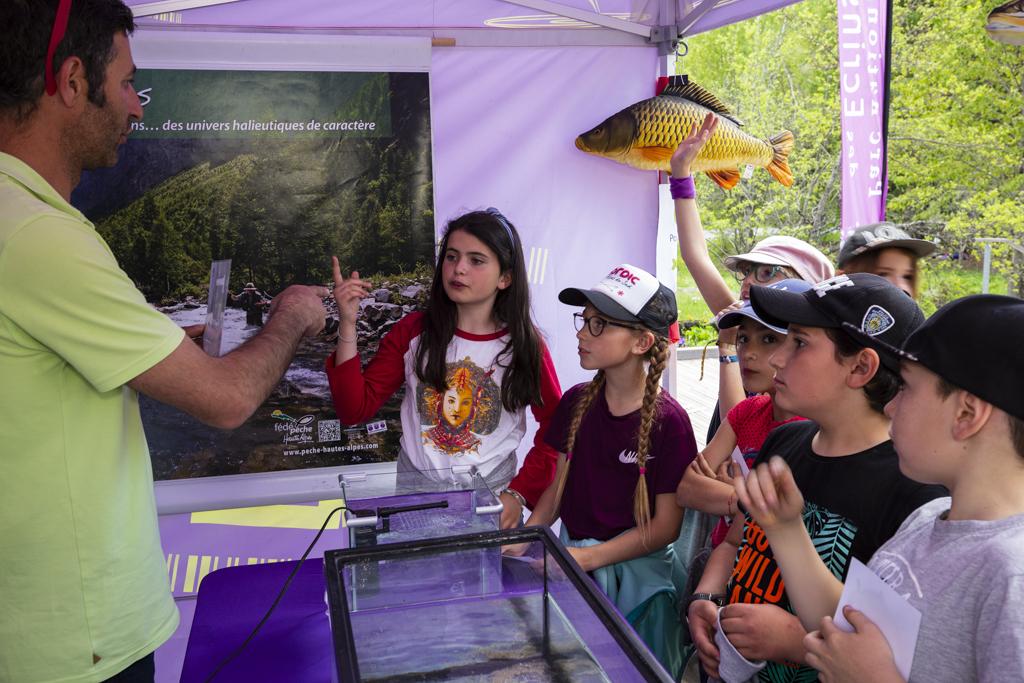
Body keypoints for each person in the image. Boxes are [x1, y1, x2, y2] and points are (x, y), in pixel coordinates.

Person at [0, 2, 329, 681]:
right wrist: (294, 313)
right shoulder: (40, 236)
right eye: (127, 84)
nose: (138, 108)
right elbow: (230, 397)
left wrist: (169, 338)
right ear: (69, 81)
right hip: (76, 646)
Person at [732, 294, 1024, 683]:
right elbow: (849, 623)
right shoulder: (926, 522)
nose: (889, 406)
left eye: (905, 386)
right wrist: (786, 529)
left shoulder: (1011, 577)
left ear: (966, 415)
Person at [685, 273, 947, 683]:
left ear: (860, 367)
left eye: (800, 343)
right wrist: (708, 595)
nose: (775, 359)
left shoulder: (913, 495)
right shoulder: (784, 441)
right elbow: (736, 540)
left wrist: (796, 642)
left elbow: (894, 659)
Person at [327, 209, 561, 529]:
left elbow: (557, 430)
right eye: (451, 256)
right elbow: (354, 409)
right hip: (412, 505)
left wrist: (519, 494)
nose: (458, 268)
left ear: (505, 277)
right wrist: (348, 324)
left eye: (476, 260)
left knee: (486, 580)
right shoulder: (413, 332)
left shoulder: (525, 346)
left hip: (490, 506)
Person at [521, 263, 697, 677]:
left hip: (641, 586)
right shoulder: (575, 402)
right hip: (575, 566)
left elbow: (667, 526)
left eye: (599, 324)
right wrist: (526, 539)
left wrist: (589, 557)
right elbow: (556, 490)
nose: (582, 333)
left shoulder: (670, 423)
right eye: (584, 320)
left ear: (641, 341)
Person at [669, 112, 834, 435]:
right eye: (745, 273)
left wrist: (728, 350)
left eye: (766, 272)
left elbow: (740, 441)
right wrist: (681, 173)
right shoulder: (739, 319)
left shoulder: (816, 367)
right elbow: (695, 255)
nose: (747, 283)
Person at [675, 279, 809, 548]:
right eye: (743, 338)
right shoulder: (748, 411)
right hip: (721, 558)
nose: (748, 353)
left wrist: (727, 492)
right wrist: (748, 499)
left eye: (769, 339)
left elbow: (798, 515)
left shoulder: (810, 430)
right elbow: (687, 489)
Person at [837, 222, 937, 298]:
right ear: (842, 280)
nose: (901, 287)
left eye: (907, 277)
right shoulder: (824, 322)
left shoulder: (917, 324)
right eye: (883, 275)